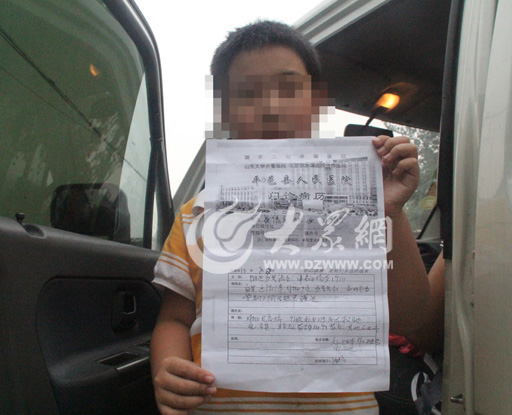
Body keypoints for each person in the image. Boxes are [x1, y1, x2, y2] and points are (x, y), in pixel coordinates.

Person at [150, 20, 443, 415]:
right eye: (248, 94)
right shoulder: (196, 214)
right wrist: (167, 367)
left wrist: (389, 210)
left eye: (289, 89)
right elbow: (174, 319)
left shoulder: (359, 207)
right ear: (225, 112)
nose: (271, 107)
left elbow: (410, 318)